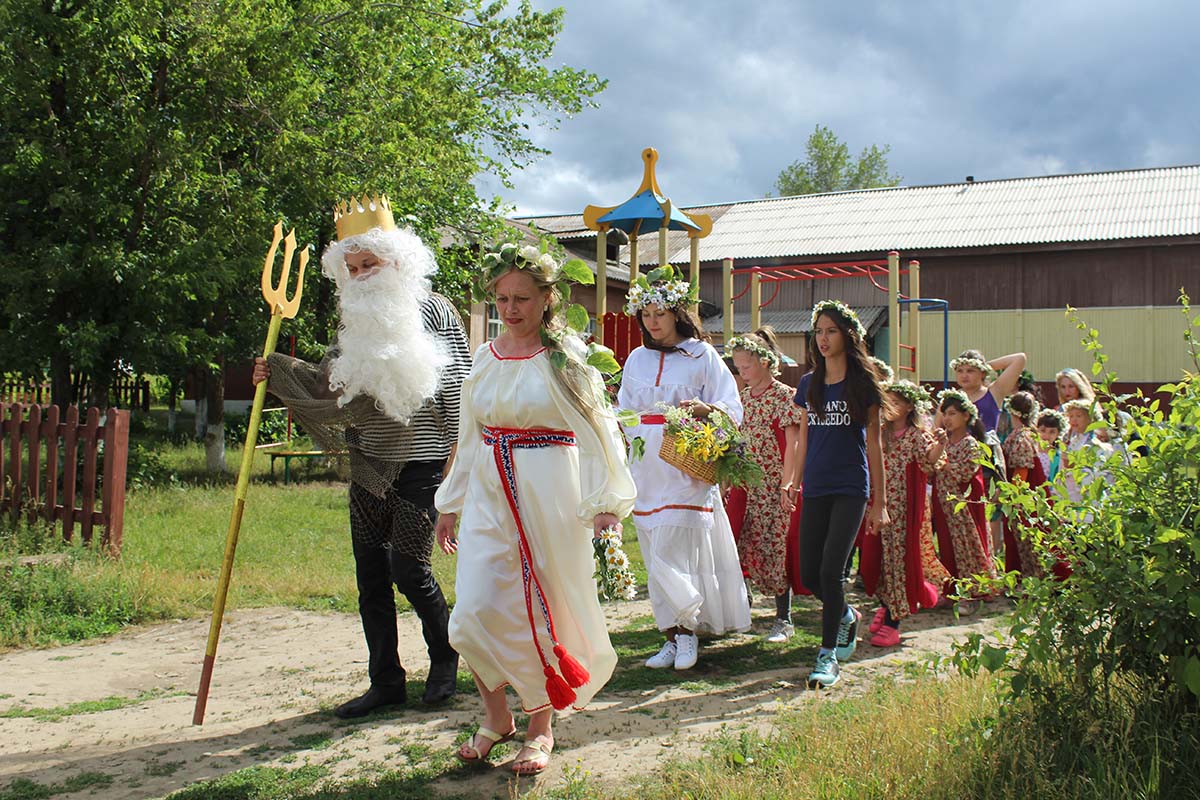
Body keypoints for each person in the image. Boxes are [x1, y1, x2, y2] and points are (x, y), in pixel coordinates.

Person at [252, 195, 470, 716]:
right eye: (351, 268)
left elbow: (460, 384)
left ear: (397, 262)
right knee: (370, 577)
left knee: (407, 567)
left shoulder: (434, 309)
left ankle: (445, 660)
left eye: (369, 264)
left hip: (425, 463)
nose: (360, 275)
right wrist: (276, 372)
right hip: (370, 463)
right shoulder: (353, 323)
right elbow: (330, 385)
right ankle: (386, 682)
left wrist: (456, 462)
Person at [433, 244, 636, 776]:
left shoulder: (565, 357)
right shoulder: (484, 357)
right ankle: (496, 716)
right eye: (501, 298)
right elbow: (469, 435)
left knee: (540, 611)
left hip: (549, 492)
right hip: (489, 493)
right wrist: (449, 504)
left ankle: (540, 728)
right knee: (472, 612)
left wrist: (607, 501)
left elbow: (600, 432)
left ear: (548, 298)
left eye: (522, 297)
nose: (510, 308)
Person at [617, 270, 750, 672]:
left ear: (676, 313)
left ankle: (689, 630)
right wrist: (630, 431)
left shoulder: (703, 355)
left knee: (676, 549)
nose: (652, 322)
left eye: (660, 313)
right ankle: (671, 636)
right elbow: (624, 408)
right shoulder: (637, 358)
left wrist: (707, 411)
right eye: (646, 315)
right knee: (654, 549)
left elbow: (732, 406)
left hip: (686, 464)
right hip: (646, 465)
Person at [788, 300, 888, 688]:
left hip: (850, 487)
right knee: (810, 573)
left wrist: (879, 502)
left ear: (848, 336)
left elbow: (875, 444)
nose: (823, 338)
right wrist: (793, 482)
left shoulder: (862, 385)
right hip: (816, 487)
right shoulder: (808, 383)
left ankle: (827, 656)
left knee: (832, 571)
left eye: (830, 330)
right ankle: (844, 614)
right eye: (819, 331)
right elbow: (802, 437)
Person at [725, 328, 806, 643]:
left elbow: (793, 443)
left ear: (764, 362)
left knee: (775, 546)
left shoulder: (785, 395)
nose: (741, 372)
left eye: (745, 366)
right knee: (740, 542)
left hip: (774, 486)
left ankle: (783, 618)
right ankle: (742, 602)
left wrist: (788, 483)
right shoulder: (742, 398)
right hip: (745, 485)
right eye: (738, 367)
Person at [860, 380, 950, 647]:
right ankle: (888, 604)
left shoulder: (916, 435)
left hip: (905, 511)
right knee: (876, 561)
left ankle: (893, 621)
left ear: (910, 406)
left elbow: (930, 460)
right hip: (878, 506)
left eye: (896, 403)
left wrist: (941, 444)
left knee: (898, 562)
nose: (890, 408)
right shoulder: (880, 433)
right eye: (887, 402)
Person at [929, 389, 997, 608]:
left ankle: (971, 592)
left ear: (966, 416)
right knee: (947, 546)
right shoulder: (944, 443)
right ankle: (952, 591)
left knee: (966, 547)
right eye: (945, 414)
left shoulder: (971, 444)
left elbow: (966, 473)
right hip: (944, 504)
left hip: (964, 508)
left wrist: (946, 466)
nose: (947, 419)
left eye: (952, 413)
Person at [1000, 392, 1048, 580]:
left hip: (1024, 498)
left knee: (1026, 539)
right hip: (1026, 495)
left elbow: (1021, 471)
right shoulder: (1025, 435)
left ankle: (1031, 578)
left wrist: (1013, 497)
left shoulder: (1022, 438)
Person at [1035, 408, 1068, 482]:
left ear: (1058, 434)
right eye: (1043, 430)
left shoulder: (1058, 456)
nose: (1046, 435)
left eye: (1052, 432)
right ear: (1037, 430)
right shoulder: (1032, 452)